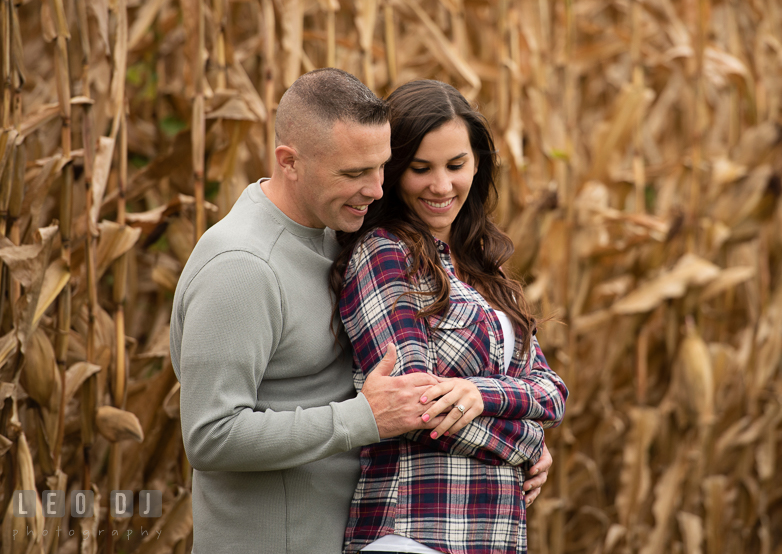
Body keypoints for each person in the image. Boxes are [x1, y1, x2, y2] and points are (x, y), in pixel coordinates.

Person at [170, 68, 551, 554]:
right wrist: (363, 418)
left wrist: (525, 434)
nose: (375, 190)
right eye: (353, 174)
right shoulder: (242, 267)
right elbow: (210, 436)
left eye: (380, 169)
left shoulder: (334, 237)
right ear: (290, 162)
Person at [332, 79, 568, 554]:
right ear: (393, 172)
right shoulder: (385, 257)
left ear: (477, 165)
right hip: (412, 535)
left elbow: (553, 391)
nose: (442, 185)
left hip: (491, 538)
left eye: (456, 165)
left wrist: (477, 394)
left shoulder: (484, 266)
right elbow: (414, 409)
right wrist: (527, 446)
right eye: (421, 169)